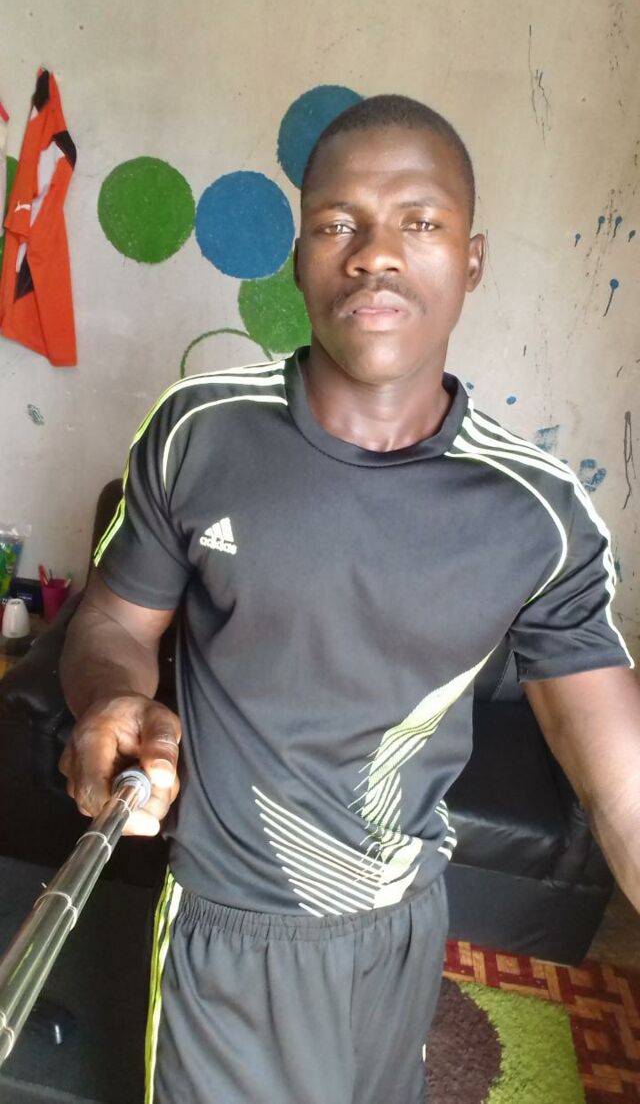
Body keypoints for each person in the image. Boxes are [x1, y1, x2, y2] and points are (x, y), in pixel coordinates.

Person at [59, 94, 640, 1104]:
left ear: (471, 260)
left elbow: (622, 789)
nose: (375, 254)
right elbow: (113, 620)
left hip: (401, 924)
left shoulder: (539, 513)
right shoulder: (199, 433)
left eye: (420, 222)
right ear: (299, 260)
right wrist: (111, 698)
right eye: (338, 224)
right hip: (226, 930)